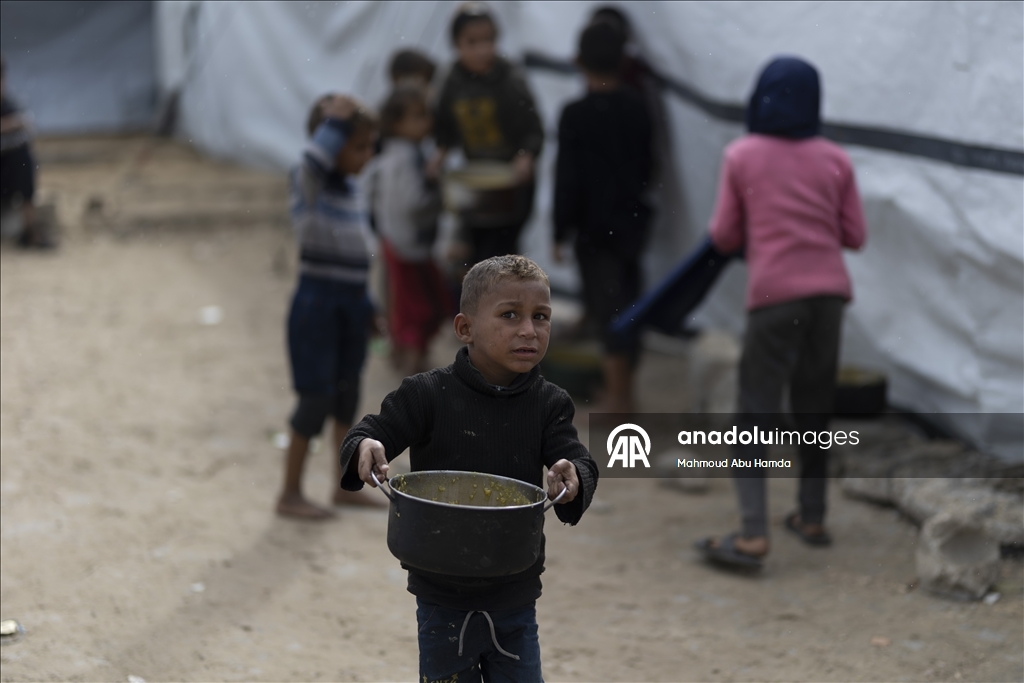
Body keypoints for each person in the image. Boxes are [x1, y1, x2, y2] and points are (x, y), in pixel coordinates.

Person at [339, 255, 599, 682]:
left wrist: (572, 475)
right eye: (509, 315)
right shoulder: (427, 394)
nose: (529, 331)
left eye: (541, 317)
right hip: (442, 592)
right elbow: (370, 431)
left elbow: (577, 460)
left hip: (515, 589)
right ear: (465, 329)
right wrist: (366, 445)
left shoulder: (549, 404)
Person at [695, 57, 867, 568]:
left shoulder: (742, 155)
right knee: (814, 407)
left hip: (773, 298)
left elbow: (724, 236)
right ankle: (811, 516)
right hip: (830, 297)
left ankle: (752, 533)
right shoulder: (836, 159)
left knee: (756, 412)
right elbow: (854, 235)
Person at [276, 94, 382, 520]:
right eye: (358, 146)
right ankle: (289, 493)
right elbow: (312, 162)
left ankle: (344, 486)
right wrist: (335, 123)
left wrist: (369, 305)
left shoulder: (353, 189)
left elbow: (357, 254)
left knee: (346, 393)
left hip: (350, 303)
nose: (368, 154)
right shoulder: (308, 186)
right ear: (330, 143)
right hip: (316, 305)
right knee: (314, 399)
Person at [552, 21, 653, 413]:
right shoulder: (637, 106)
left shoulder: (575, 114)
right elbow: (647, 166)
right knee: (628, 301)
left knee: (609, 307)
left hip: (594, 229)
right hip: (632, 222)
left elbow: (568, 178)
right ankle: (625, 388)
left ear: (577, 61)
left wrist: (560, 229)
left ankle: (620, 398)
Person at [429, 2, 545, 267]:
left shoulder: (510, 78)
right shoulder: (451, 80)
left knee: (503, 253)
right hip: (477, 179)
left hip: (512, 181)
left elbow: (533, 129)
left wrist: (525, 156)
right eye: (472, 42)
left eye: (488, 40)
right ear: (456, 44)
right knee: (475, 254)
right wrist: (440, 154)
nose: (482, 50)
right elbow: (443, 128)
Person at [368, 85, 449, 375]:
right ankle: (415, 368)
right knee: (420, 309)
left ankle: (405, 359)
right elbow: (413, 203)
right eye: (418, 117)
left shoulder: (391, 156)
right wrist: (438, 190)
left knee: (407, 306)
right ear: (396, 123)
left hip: (396, 241)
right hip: (410, 246)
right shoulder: (406, 159)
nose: (426, 122)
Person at [0, 55, 52, 249]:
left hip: (7, 181)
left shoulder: (9, 105)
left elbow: (26, 128)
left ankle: (31, 231)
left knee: (23, 158)